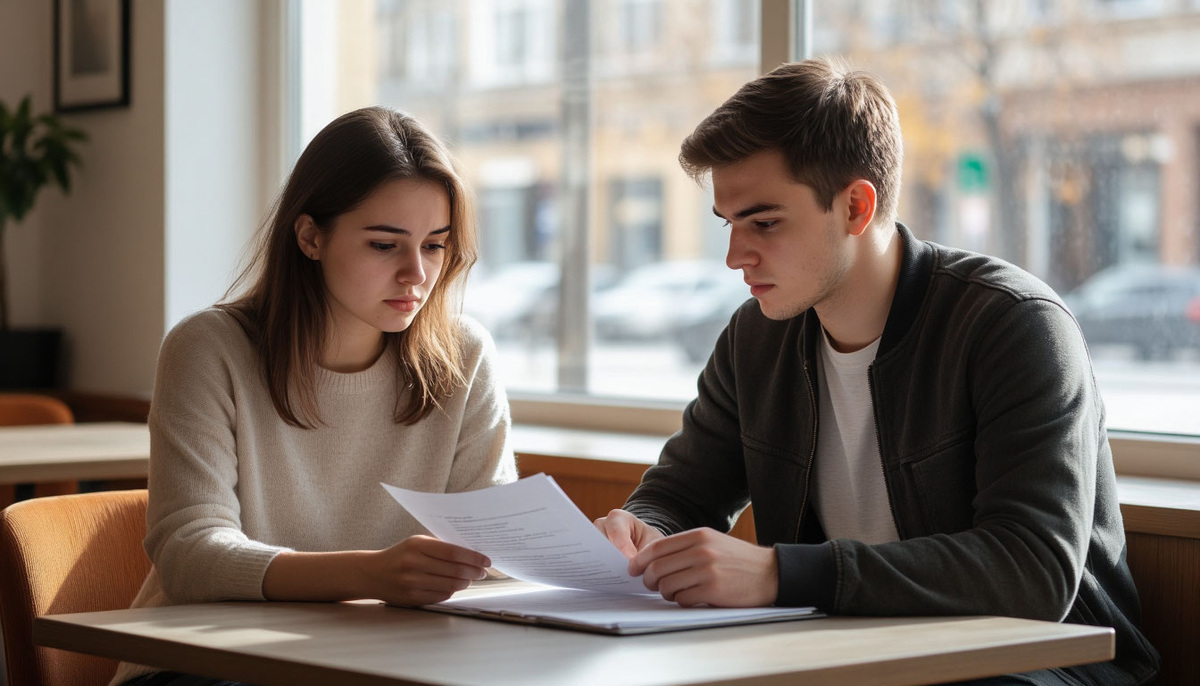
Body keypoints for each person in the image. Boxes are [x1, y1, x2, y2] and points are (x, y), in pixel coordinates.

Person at [594, 58, 1159, 685]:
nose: (734, 257)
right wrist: (641, 532)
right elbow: (680, 496)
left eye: (764, 222)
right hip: (846, 653)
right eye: (729, 225)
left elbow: (1031, 572)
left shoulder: (1014, 324)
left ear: (856, 207)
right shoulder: (755, 338)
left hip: (1043, 665)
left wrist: (781, 574)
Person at [114, 107, 516, 686]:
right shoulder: (209, 348)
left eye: (434, 246)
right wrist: (368, 576)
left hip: (381, 662)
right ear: (310, 237)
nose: (416, 275)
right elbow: (189, 553)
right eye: (384, 245)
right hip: (203, 666)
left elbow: (491, 549)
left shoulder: (464, 356)